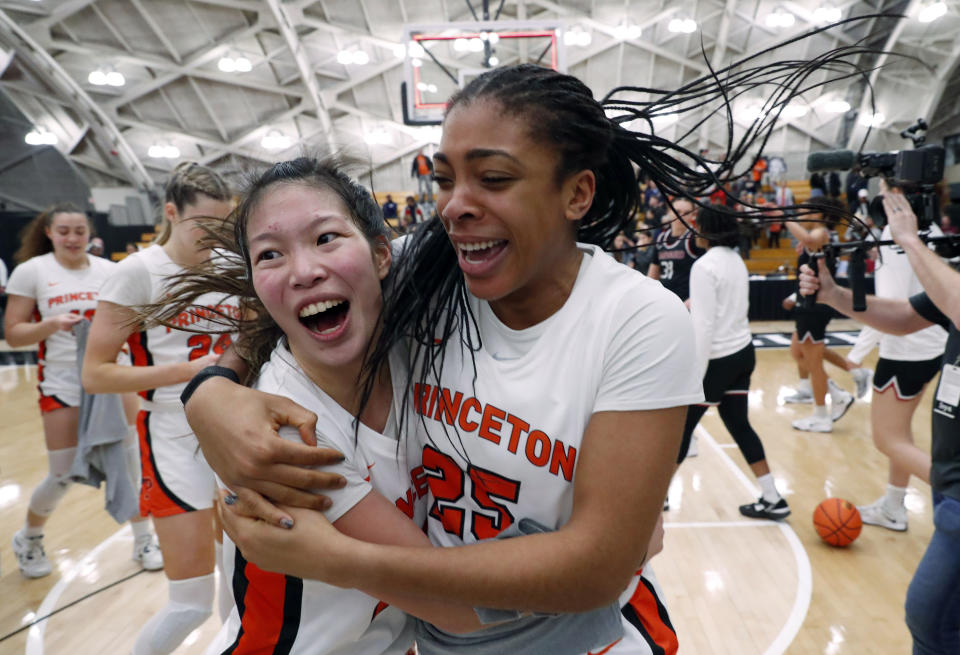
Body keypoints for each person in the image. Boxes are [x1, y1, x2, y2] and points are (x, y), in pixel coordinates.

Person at [182, 64, 709, 655]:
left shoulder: (635, 319)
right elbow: (298, 293)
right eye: (443, 179)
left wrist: (338, 559)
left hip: (575, 637)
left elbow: (596, 568)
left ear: (577, 192)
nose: (455, 206)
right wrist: (210, 392)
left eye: (493, 177)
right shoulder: (434, 270)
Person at [145, 157, 491, 653]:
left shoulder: (405, 330)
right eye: (269, 255)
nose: (305, 271)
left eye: (326, 237)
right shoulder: (284, 429)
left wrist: (211, 384)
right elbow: (460, 611)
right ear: (256, 293)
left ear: (382, 256)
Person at [81, 163, 237, 655]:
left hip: (234, 428)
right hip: (172, 430)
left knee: (238, 597)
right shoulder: (137, 273)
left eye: (223, 226)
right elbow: (96, 373)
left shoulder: (234, 266)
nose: (215, 237)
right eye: (203, 226)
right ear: (171, 213)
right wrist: (186, 372)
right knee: (191, 601)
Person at [799, 189, 960, 655]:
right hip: (950, 491)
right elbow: (907, 315)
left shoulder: (921, 252)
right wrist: (835, 296)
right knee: (932, 620)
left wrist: (910, 241)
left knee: (932, 617)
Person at [4, 203, 161, 578]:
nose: (73, 238)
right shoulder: (33, 272)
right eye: (64, 231)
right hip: (61, 383)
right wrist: (52, 324)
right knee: (62, 474)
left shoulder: (111, 271)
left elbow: (135, 320)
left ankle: (143, 539)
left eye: (79, 231)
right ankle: (29, 537)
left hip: (111, 376)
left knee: (130, 464)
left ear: (90, 233)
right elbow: (13, 332)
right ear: (49, 233)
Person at [678, 205, 790, 519]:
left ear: (707, 229)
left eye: (697, 224)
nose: (693, 229)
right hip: (743, 352)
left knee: (680, 429)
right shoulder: (735, 260)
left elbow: (704, 327)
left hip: (717, 359)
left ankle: (651, 501)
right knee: (739, 425)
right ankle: (772, 497)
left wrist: (694, 375)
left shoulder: (704, 266)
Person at [843, 218, 946, 531]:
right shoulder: (932, 229)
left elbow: (892, 309)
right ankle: (893, 505)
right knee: (899, 435)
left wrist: (856, 354)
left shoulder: (895, 233)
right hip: (932, 344)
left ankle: (948, 488)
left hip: (905, 349)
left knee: (886, 439)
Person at [783, 196, 854, 432]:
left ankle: (822, 415)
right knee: (798, 352)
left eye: (806, 210)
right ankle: (836, 392)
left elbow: (806, 237)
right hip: (808, 302)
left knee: (813, 363)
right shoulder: (821, 236)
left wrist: (787, 218)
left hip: (816, 305)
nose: (801, 214)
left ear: (820, 214)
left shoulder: (822, 233)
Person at [647, 195, 704, 303]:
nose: (681, 216)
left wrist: (692, 301)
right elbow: (652, 274)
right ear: (669, 212)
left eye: (686, 213)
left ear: (693, 215)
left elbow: (705, 276)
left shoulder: (695, 238)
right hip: (664, 300)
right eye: (677, 211)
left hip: (687, 302)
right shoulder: (661, 238)